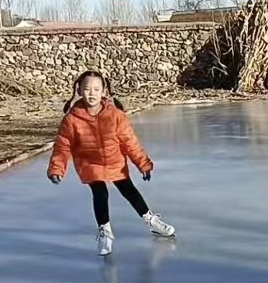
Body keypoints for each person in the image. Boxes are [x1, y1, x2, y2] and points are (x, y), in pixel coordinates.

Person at [47, 70, 175, 255]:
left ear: (103, 91)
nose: (92, 93)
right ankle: (105, 231)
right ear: (79, 90)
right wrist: (57, 168)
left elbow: (130, 142)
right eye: (87, 89)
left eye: (96, 89)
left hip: (114, 160)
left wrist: (143, 164)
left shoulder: (115, 115)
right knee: (100, 192)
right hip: (89, 163)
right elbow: (62, 146)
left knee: (129, 190)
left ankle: (151, 220)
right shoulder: (71, 119)